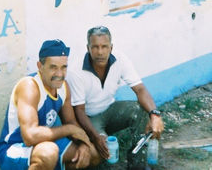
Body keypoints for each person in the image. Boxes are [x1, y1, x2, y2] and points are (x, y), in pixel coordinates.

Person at [67, 26, 164, 168]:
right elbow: (79, 111)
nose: (100, 52)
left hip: (110, 109)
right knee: (106, 151)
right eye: (95, 47)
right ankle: (103, 148)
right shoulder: (75, 70)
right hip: (89, 118)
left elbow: (140, 89)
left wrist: (155, 115)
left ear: (111, 48)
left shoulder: (120, 59)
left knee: (140, 110)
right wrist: (96, 137)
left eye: (104, 46)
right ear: (88, 48)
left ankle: (138, 164)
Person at [0, 39, 100, 170]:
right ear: (40, 66)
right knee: (48, 153)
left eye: (64, 67)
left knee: (93, 153)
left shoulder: (63, 87)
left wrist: (83, 143)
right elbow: (30, 136)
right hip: (14, 147)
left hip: (46, 142)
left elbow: (72, 122)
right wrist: (69, 130)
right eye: (53, 67)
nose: (60, 74)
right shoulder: (29, 86)